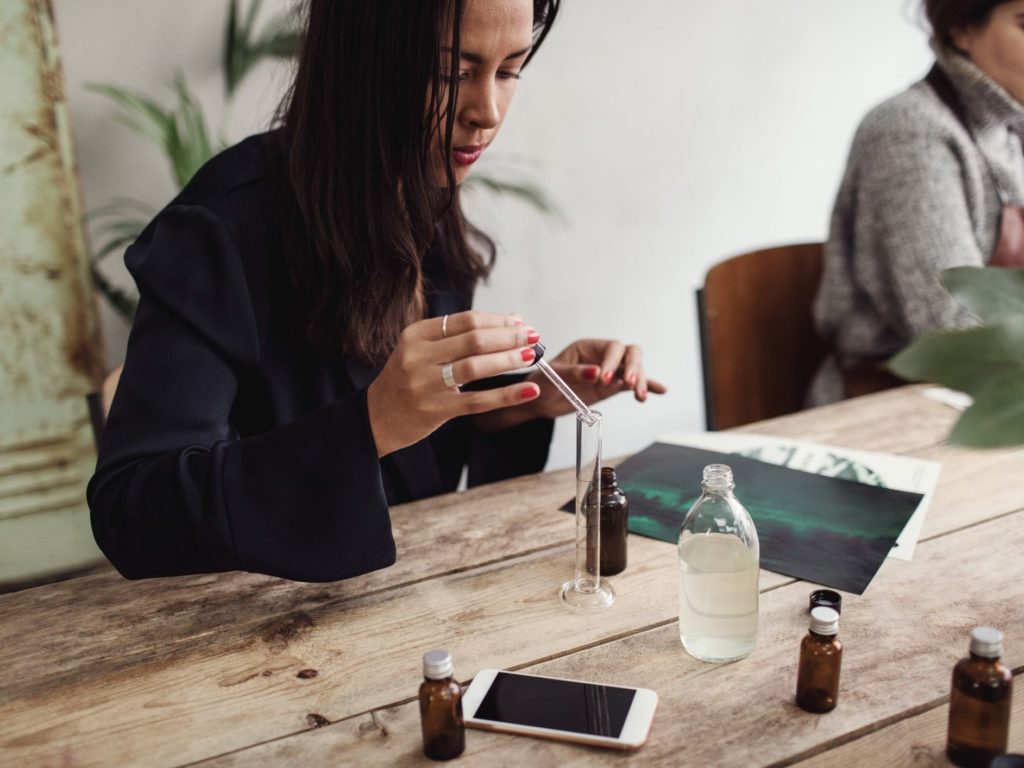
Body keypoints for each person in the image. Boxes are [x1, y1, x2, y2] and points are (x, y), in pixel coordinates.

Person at [87, 0, 665, 583]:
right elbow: (132, 513)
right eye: (450, 73)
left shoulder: (422, 180)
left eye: (510, 69)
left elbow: (411, 447)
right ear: (362, 60)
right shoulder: (219, 229)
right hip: (255, 627)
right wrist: (370, 423)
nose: (486, 112)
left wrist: (522, 402)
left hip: (414, 589)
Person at [809, 0, 1024, 405]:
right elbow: (953, 332)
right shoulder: (910, 132)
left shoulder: (1009, 134)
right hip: (890, 416)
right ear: (962, 30)